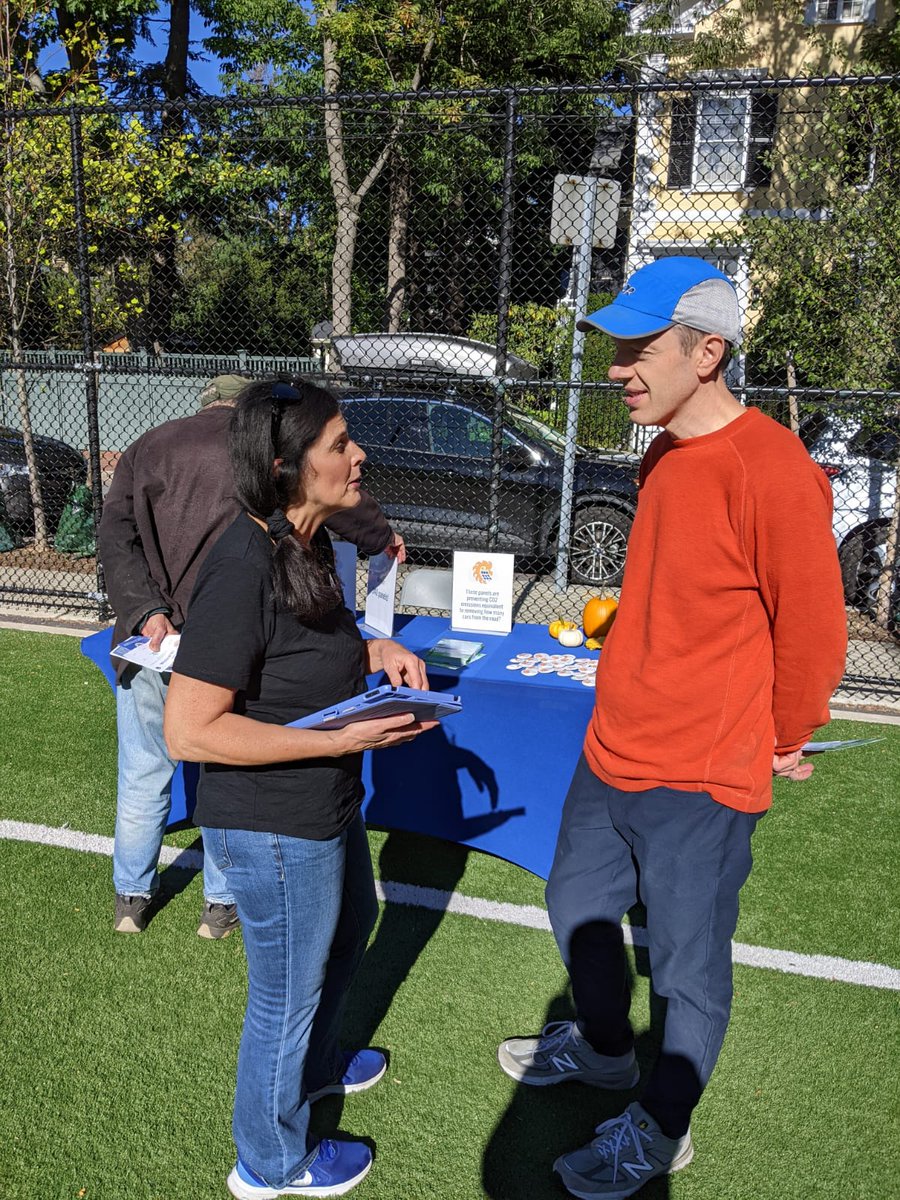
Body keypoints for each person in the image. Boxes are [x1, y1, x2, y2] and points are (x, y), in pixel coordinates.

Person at [496, 257, 847, 1197]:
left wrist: (784, 734)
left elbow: (812, 629)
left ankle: (660, 1127)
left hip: (701, 773)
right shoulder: (663, 453)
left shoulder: (774, 470)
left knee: (687, 969)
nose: (617, 366)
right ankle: (607, 1053)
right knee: (576, 911)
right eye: (615, 347)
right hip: (613, 749)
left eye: (637, 347)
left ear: (709, 352)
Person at [163, 379, 435, 1199]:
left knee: (352, 929)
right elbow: (190, 730)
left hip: (326, 802)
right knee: (284, 996)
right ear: (287, 467)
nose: (360, 456)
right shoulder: (241, 562)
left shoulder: (307, 538)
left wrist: (374, 653)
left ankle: (319, 1071)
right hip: (273, 824)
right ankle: (269, 1165)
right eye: (341, 446)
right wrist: (338, 736)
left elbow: (311, 644)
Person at [98, 374, 406, 938]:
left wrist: (145, 610)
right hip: (242, 640)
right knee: (228, 755)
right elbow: (324, 498)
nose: (351, 453)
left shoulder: (153, 444)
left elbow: (115, 535)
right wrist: (381, 532)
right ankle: (220, 905)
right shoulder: (265, 464)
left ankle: (130, 898)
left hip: (158, 640)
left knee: (144, 774)